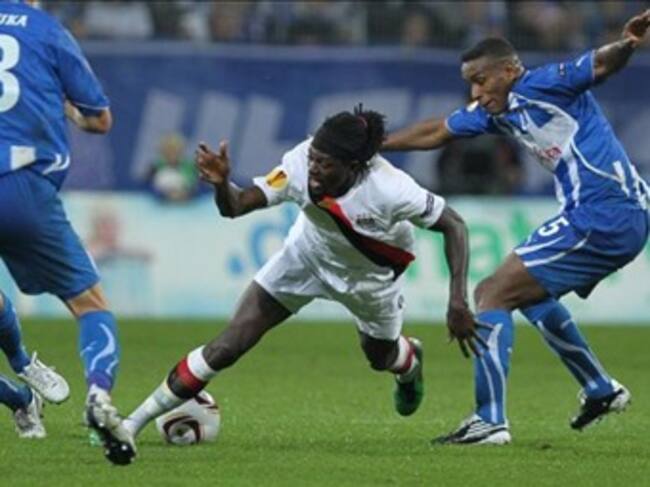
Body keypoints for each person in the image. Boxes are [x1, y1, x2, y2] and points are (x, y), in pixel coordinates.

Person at [94, 106, 481, 465]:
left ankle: (408, 361)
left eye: (325, 164)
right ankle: (130, 425)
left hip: (370, 281)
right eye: (313, 157)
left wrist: (457, 301)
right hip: (305, 258)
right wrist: (222, 183)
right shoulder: (299, 162)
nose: (313, 169)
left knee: (380, 358)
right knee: (229, 344)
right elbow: (237, 206)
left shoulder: (392, 189)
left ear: (354, 166)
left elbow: (454, 226)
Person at [382, 10, 650, 444]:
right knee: (529, 294)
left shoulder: (543, 84)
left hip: (606, 212)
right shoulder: (498, 111)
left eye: (480, 80)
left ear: (508, 71)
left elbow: (601, 65)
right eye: (470, 83)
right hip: (605, 215)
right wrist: (378, 144)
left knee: (492, 293)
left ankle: (490, 420)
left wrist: (629, 43)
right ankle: (600, 388)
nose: (475, 91)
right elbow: (437, 130)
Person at [0, 0, 124, 441]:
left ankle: (21, 379)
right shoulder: (47, 31)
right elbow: (100, 120)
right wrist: (66, 109)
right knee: (90, 304)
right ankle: (97, 396)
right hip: (23, 187)